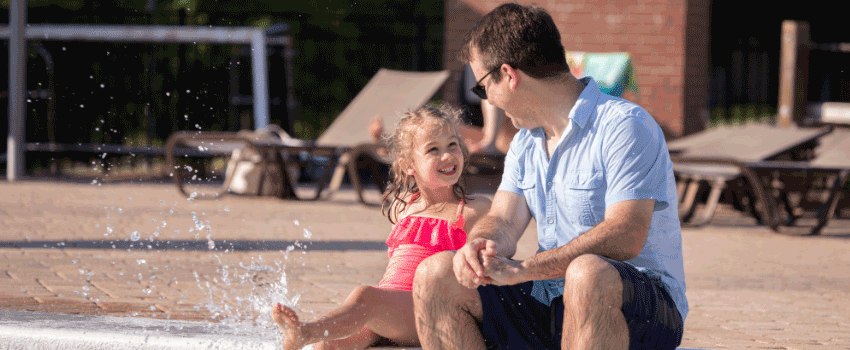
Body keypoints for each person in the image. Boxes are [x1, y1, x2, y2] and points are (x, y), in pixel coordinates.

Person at [412, 3, 687, 350]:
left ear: (510, 76)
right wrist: (481, 244)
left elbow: (626, 235)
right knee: (436, 273)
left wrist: (527, 268)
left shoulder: (624, 125)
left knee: (587, 274)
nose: (488, 100)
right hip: (552, 299)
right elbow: (502, 219)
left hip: (643, 304)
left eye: (483, 88)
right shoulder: (527, 142)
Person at [272, 105, 492, 350]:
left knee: (366, 296)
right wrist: (381, 139)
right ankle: (313, 336)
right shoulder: (404, 207)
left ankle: (305, 332)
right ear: (410, 166)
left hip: (430, 311)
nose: (447, 155)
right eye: (433, 149)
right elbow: (389, 156)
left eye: (452, 145)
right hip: (390, 313)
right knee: (329, 345)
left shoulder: (473, 210)